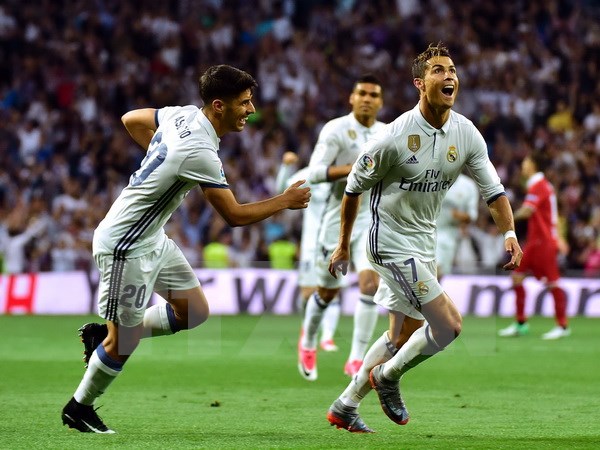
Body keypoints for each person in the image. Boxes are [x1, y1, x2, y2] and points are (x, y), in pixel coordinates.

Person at [61, 64, 310, 434]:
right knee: (123, 343)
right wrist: (286, 200)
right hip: (124, 246)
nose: (252, 109)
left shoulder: (181, 115)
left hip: (152, 239)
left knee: (194, 311)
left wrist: (160, 159)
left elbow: (132, 119)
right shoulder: (199, 152)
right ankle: (77, 408)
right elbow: (235, 216)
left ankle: (104, 336)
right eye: (244, 102)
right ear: (218, 106)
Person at [325, 43, 522, 433]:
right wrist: (343, 243)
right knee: (449, 326)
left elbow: (494, 192)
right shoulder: (393, 137)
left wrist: (510, 233)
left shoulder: (465, 133)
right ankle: (388, 377)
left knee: (405, 333)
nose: (448, 76)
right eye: (437, 70)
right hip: (389, 241)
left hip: (423, 242)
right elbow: (352, 189)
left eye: (452, 69)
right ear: (420, 82)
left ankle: (345, 404)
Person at [297, 74, 386, 381]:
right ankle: (308, 342)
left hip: (371, 223)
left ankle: (357, 359)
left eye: (373, 95)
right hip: (337, 223)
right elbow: (316, 172)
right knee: (326, 293)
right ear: (352, 97)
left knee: (370, 285)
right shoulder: (336, 129)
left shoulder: (387, 133)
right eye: (362, 93)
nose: (367, 99)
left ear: (380, 102)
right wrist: (355, 169)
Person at [498, 152, 570, 340]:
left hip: (544, 241)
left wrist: (507, 219)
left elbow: (528, 210)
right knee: (517, 277)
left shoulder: (538, 185)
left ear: (534, 165)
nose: (523, 165)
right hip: (534, 241)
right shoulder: (539, 185)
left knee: (553, 282)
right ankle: (521, 323)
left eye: (526, 162)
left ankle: (562, 326)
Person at [275, 151, 341, 351]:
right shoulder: (308, 175)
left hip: (334, 243)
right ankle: (308, 329)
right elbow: (281, 191)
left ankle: (327, 337)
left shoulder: (344, 175)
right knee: (307, 294)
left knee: (332, 291)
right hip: (311, 243)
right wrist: (286, 167)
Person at [435, 172, 479, 280]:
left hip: (450, 234)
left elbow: (472, 215)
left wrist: (458, 215)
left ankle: (432, 296)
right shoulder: (431, 178)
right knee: (433, 269)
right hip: (428, 230)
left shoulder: (468, 185)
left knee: (440, 275)